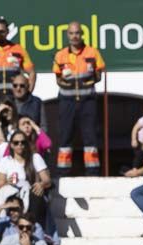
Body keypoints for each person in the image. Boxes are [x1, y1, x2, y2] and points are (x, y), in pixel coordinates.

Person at [52, 20, 104, 174]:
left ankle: (93, 172)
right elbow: (58, 79)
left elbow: (99, 75)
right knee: (65, 136)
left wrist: (87, 82)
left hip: (88, 101)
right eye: (71, 33)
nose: (74, 36)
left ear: (82, 34)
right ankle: (63, 174)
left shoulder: (92, 52)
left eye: (77, 33)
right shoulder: (60, 55)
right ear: (67, 35)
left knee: (90, 137)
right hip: (66, 101)